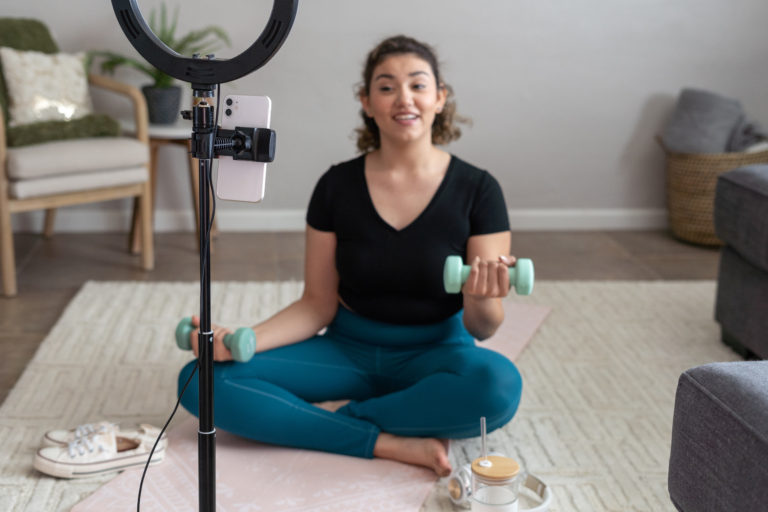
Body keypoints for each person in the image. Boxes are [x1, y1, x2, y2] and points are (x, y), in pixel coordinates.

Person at [179, 35, 522, 477]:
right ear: (366, 101)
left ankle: (333, 423)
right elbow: (317, 303)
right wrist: (238, 342)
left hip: (438, 352)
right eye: (386, 86)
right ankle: (383, 441)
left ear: (440, 98)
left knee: (498, 386)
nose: (404, 98)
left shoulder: (479, 190)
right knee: (198, 379)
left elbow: (484, 327)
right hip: (347, 350)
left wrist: (479, 297)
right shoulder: (336, 186)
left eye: (418, 85)